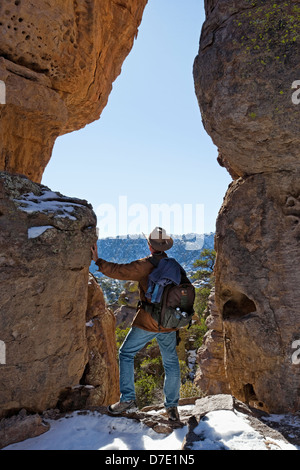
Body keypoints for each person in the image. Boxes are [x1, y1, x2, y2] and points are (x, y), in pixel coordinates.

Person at [91, 227, 181, 421]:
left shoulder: (145, 265)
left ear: (150, 246)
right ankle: (172, 408)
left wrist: (98, 261)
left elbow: (119, 271)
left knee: (126, 353)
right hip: (170, 322)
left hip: (148, 321)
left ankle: (128, 400)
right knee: (171, 363)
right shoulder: (174, 265)